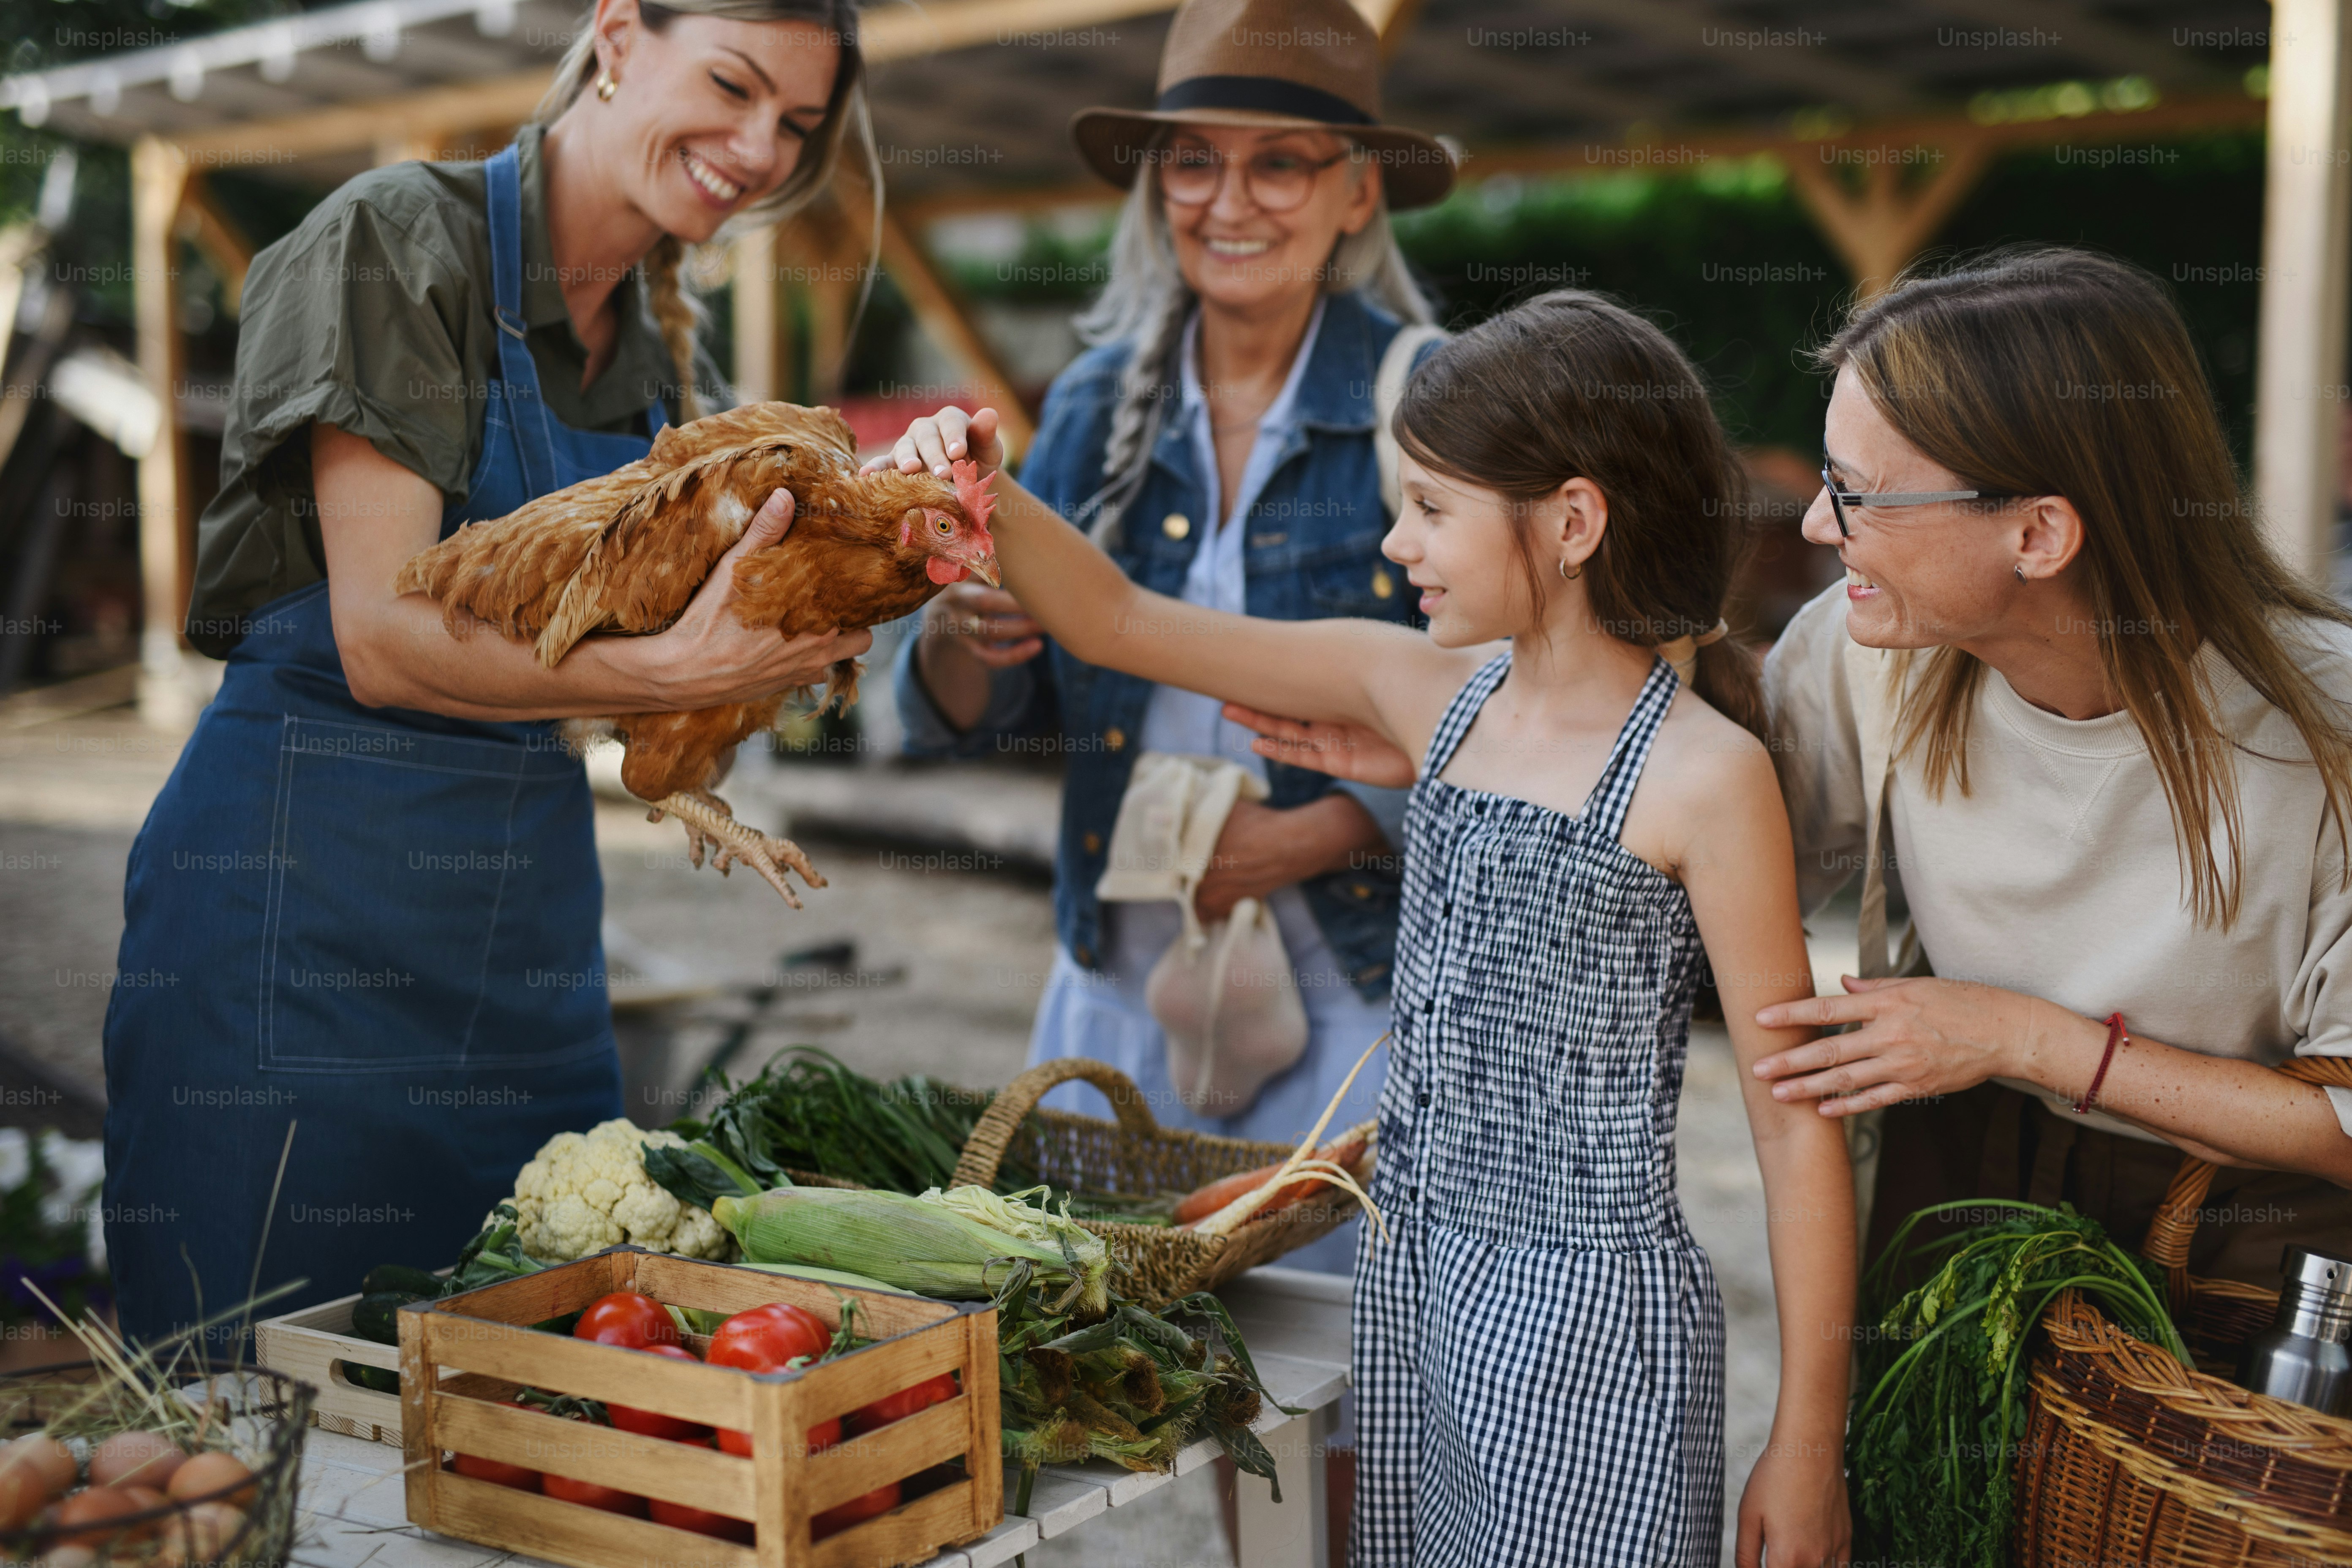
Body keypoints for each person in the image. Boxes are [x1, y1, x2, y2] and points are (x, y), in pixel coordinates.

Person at [870, 289, 1856, 1565]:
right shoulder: (1425, 691)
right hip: (1409, 1295)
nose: (1399, 545)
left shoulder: (1704, 776)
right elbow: (1124, 621)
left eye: (1433, 509)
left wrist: (1803, 1442)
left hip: (1591, 1334)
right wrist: (985, 495)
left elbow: (1791, 1122)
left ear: (1572, 523)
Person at [103, 0, 871, 1348]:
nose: (758, 149)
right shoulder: (399, 242)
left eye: (796, 127)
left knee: (524, 1417)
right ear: (621, 36)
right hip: (297, 935)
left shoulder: (652, 361)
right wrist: (666, 666)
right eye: (735, 86)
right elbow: (384, 642)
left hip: (524, 969)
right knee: (269, 1411)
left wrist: (884, 582)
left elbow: (684, 703)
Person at [891, 0, 1450, 1268]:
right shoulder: (1093, 406)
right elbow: (986, 722)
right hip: (1116, 997)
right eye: (1193, 159)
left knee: (1340, 1394)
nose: (1227, 200)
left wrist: (1311, 836)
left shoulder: (1426, 401)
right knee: (1126, 1368)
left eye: (1279, 162)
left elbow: (1527, 706)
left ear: (1358, 193)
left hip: (1352, 997)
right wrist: (959, 634)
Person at [1744, 247, 2352, 1278]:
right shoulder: (1864, 651)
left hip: (2237, 1241)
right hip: (1953, 1184)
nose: (1816, 525)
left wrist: (2023, 1038)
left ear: (2037, 533)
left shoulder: (2327, 727)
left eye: (1857, 494)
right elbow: (1713, 879)